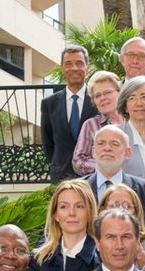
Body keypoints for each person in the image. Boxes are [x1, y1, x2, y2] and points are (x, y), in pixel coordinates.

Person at [83, 125, 145, 230]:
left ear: (127, 153)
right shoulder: (77, 190)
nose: (107, 148)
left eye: (114, 144)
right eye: (101, 143)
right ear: (93, 152)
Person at [25, 179, 99, 271]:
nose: (71, 213)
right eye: (64, 206)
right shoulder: (40, 258)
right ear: (55, 214)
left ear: (89, 211)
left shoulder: (101, 259)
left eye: (79, 206)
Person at [41, 45, 97, 182]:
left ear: (87, 67)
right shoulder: (49, 103)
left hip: (92, 176)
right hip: (61, 176)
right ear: (62, 68)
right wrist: (58, 164)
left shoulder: (98, 100)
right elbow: (47, 143)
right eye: (68, 64)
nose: (74, 68)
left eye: (79, 63)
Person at [99, 183, 145, 271]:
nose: (121, 210)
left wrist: (143, 259)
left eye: (127, 206)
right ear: (102, 210)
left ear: (136, 212)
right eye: (114, 205)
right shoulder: (96, 243)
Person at [71, 71, 125, 176]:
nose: (103, 98)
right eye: (97, 95)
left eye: (107, 92)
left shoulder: (133, 121)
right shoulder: (90, 125)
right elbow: (78, 161)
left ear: (119, 92)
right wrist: (105, 166)